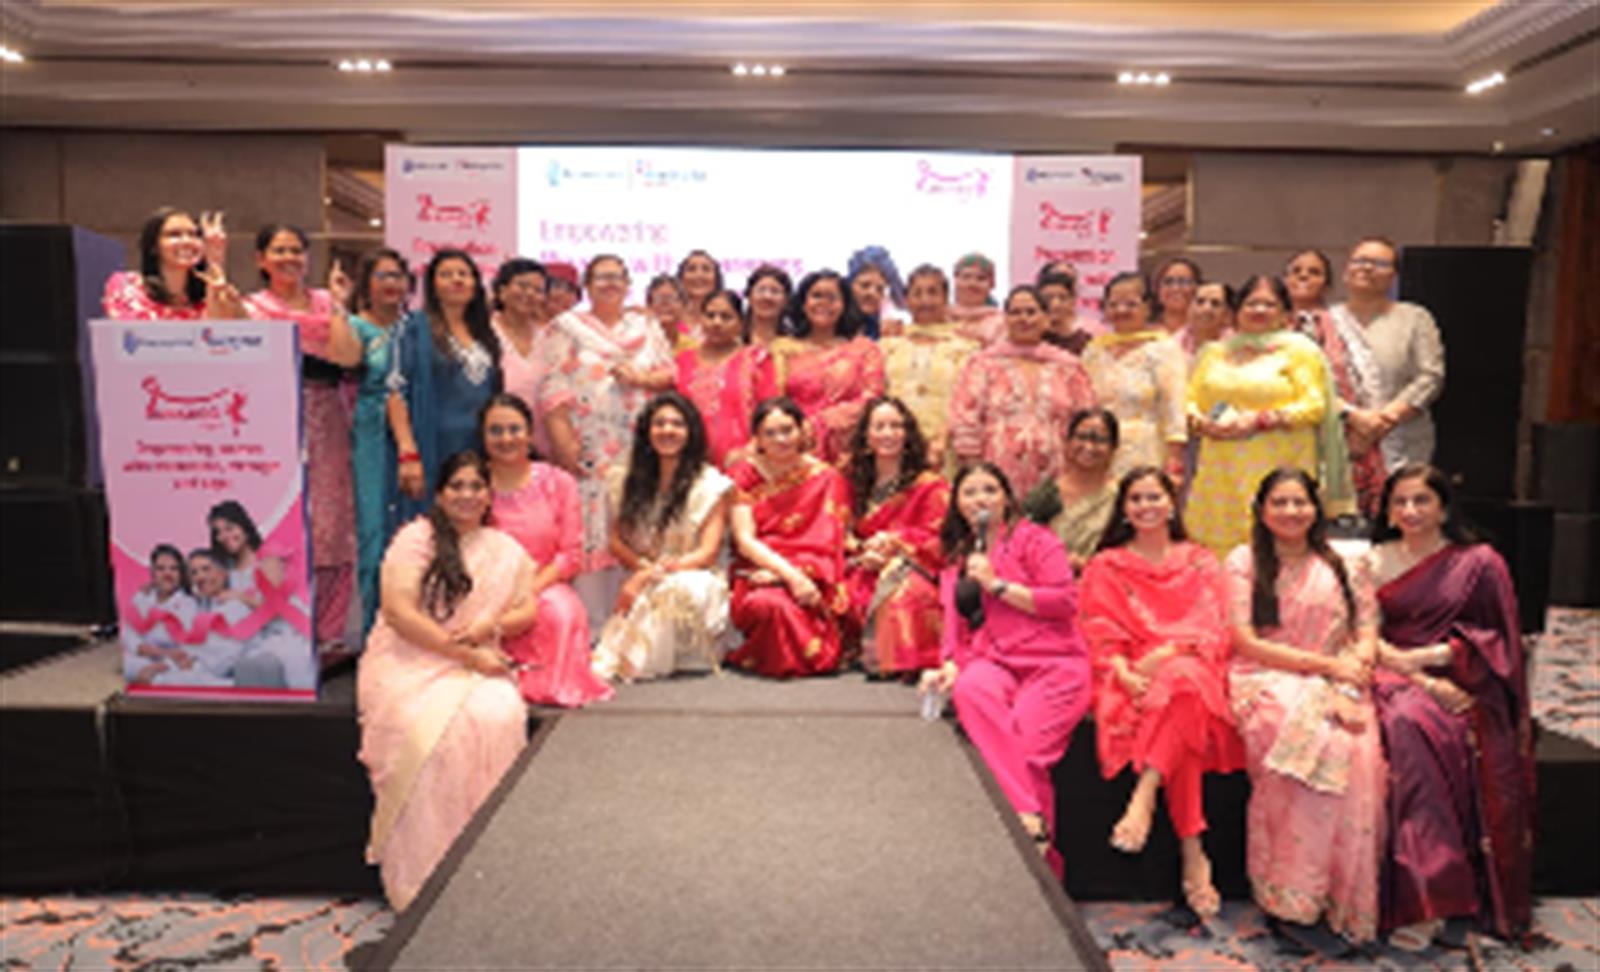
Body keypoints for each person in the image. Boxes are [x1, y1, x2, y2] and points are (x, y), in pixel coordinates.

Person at [357, 450, 534, 911]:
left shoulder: (502, 548)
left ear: (489, 495)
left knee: (498, 715)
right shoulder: (415, 540)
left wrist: (492, 627)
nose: (467, 495)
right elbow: (399, 614)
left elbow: (527, 609)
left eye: (476, 486)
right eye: (457, 486)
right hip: (409, 661)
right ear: (439, 493)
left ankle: (483, 865)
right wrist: (465, 654)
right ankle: (423, 875)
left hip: (477, 664)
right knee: (429, 735)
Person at [1367, 464, 1533, 950]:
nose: (1410, 511)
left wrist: (1433, 660)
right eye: (1399, 502)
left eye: (1421, 500)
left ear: (1443, 508)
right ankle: (1406, 894)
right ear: (1387, 512)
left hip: (1463, 676)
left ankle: (1432, 895)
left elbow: (1500, 639)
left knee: (1416, 726)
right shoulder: (1373, 561)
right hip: (1388, 671)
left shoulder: (1479, 563)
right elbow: (1360, 633)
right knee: (1394, 722)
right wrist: (1414, 674)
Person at [1226, 468, 1386, 944]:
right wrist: (1327, 667)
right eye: (1280, 502)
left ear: (1316, 509)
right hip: (1266, 676)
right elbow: (1246, 642)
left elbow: (1366, 628)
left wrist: (1353, 672)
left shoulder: (1343, 563)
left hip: (1336, 677)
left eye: (1300, 502)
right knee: (1305, 743)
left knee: (1357, 751)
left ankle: (1339, 896)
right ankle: (1289, 897)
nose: (1291, 511)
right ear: (1261, 511)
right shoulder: (1243, 561)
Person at [1078, 467, 1244, 918]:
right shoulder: (1107, 565)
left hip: (1193, 660)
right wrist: (1125, 672)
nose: (1146, 506)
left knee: (1183, 680)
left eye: (1154, 497)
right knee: (1179, 699)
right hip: (1134, 672)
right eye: (1136, 498)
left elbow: (1217, 628)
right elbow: (1099, 631)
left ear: (1172, 504)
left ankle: (1145, 794)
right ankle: (1193, 849)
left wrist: (1169, 652)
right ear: (1124, 509)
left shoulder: (1200, 561)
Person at [920, 462, 1092, 878]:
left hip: (1052, 662)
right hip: (994, 661)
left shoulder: (1038, 540)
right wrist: (946, 666)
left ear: (1006, 498)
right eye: (970, 492)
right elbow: (954, 627)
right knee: (970, 688)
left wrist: (998, 585)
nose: (980, 499)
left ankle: (1042, 866)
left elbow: (1064, 602)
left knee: (1027, 755)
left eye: (990, 490)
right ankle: (1030, 816)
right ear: (957, 504)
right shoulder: (959, 558)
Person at [244, 224, 362, 657]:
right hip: (270, 422)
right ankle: (281, 624)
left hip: (328, 417)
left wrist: (340, 308)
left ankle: (329, 631)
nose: (289, 258)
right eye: (279, 250)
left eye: (297, 250)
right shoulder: (250, 308)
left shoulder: (327, 303)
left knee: (332, 525)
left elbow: (348, 357)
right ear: (260, 259)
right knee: (278, 522)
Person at [540, 254, 676, 629]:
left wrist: (641, 379)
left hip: (642, 441)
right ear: (587, 285)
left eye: (617, 277)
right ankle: (595, 626)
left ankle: (639, 626)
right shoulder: (565, 327)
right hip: (589, 444)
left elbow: (669, 374)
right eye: (601, 277)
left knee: (639, 519)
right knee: (594, 527)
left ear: (629, 284)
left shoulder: (646, 326)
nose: (610, 284)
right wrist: (563, 440)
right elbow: (552, 385)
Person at [1186, 275, 1353, 555]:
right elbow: (1190, 401)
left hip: (1278, 465)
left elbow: (1315, 406)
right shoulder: (1213, 353)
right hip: (1220, 468)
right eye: (1251, 303)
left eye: (1269, 304)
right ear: (1235, 312)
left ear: (1286, 313)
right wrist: (1201, 422)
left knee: (1271, 546)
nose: (1259, 310)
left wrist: (1261, 420)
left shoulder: (1299, 351)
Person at [593, 392, 735, 681]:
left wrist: (652, 575)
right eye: (659, 423)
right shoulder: (625, 478)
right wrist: (644, 571)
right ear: (647, 431)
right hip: (643, 571)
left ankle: (638, 662)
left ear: (691, 432)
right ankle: (641, 657)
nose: (667, 430)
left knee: (674, 590)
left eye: (677, 424)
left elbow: (707, 552)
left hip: (692, 574)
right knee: (656, 591)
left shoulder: (710, 483)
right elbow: (616, 541)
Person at [480, 395, 612, 708]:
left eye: (514, 429)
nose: (506, 438)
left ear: (529, 434)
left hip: (543, 583)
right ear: (482, 437)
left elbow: (570, 555)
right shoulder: (473, 484)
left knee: (560, 614)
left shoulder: (558, 482)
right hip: (483, 585)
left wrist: (528, 589)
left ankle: (537, 681)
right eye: (495, 431)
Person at [725, 398, 852, 678]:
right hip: (761, 567)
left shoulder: (827, 477)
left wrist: (800, 574)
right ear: (757, 439)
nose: (781, 439)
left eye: (787, 430)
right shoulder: (742, 475)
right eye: (770, 433)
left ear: (802, 431)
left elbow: (832, 541)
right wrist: (790, 576)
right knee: (768, 605)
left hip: (815, 571)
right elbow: (745, 540)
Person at [389, 249, 503, 529]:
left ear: (475, 284)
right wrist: (408, 452)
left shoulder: (484, 331)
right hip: (431, 445)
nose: (456, 280)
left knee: (474, 524)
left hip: (478, 447)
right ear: (433, 284)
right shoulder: (413, 327)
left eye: (464, 274)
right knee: (430, 528)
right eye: (446, 274)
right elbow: (395, 391)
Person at [948, 285, 1097, 499]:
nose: (1023, 319)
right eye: (1015, 312)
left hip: (1059, 478)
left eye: (1031, 312)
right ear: (1005, 319)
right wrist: (977, 476)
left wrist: (1079, 474)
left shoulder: (1069, 367)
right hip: (994, 480)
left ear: (1046, 318)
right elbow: (965, 419)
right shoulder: (983, 364)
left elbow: (1087, 420)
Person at [841, 397, 948, 676]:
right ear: (866, 436)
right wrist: (863, 551)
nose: (888, 434)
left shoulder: (929, 485)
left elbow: (940, 538)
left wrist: (895, 543)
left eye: (896, 426)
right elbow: (839, 529)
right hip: (860, 564)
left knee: (906, 594)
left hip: (911, 567)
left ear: (907, 434)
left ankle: (899, 660)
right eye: (879, 427)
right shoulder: (851, 481)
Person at [1329, 238, 1445, 474]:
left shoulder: (1415, 318)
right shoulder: (1323, 321)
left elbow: (1430, 377)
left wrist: (1381, 422)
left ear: (1394, 276)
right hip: (1338, 439)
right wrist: (1354, 418)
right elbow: (1311, 384)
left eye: (1380, 263)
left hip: (1402, 441)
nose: (1367, 268)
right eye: (1360, 260)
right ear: (1345, 271)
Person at [1289, 248, 1390, 516]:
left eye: (1314, 272)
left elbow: (1365, 375)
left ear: (1327, 284)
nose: (1303, 276)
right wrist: (1347, 413)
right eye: (1296, 271)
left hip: (1348, 433)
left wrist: (1364, 425)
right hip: (1292, 429)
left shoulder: (1344, 324)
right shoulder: (1270, 325)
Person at [348, 247, 415, 638]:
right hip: (371, 435)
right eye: (383, 275)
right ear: (366, 283)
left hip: (414, 432)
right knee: (373, 532)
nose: (392, 283)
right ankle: (375, 632)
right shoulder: (354, 326)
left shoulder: (417, 328)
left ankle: (414, 630)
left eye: (398, 276)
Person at [1080, 272, 1188, 484]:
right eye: (1113, 304)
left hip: (1144, 452)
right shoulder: (1093, 351)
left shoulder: (1163, 349)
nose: (1121, 310)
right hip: (1097, 450)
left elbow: (1174, 407)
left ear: (1147, 307)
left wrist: (1175, 461)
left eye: (1130, 304)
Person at [769, 270, 886, 462]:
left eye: (832, 298)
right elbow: (773, 400)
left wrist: (819, 423)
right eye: (816, 296)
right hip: (792, 447)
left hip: (849, 453)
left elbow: (872, 398)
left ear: (844, 305)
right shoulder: (783, 349)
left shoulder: (863, 349)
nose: (823, 303)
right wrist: (796, 429)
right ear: (803, 303)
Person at [207, 499, 316, 690]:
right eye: (218, 532)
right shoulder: (227, 568)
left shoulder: (266, 558)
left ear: (244, 526)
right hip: (252, 633)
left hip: (283, 629)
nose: (224, 536)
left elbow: (275, 609)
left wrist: (239, 596)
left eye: (230, 528)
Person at [877, 264, 978, 467]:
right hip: (894, 444)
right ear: (907, 300)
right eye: (917, 293)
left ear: (946, 299)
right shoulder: (887, 346)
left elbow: (968, 401)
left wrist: (942, 439)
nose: (925, 300)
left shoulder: (967, 348)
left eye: (933, 292)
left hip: (945, 448)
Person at [675, 290, 778, 467]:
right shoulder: (682, 360)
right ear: (700, 320)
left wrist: (753, 447)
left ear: (741, 323)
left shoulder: (757, 359)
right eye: (710, 316)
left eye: (726, 317)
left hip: (744, 461)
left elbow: (771, 411)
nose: (717, 323)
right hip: (688, 460)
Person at [1022, 408, 1120, 571]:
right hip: (1047, 580)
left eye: (1099, 440)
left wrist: (1086, 564)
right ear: (1067, 442)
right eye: (1081, 437)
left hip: (1105, 581)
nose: (1089, 446)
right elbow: (1022, 547)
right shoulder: (1045, 496)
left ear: (1114, 448)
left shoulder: (1121, 497)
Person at [102, 206, 242, 320]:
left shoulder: (210, 297)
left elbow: (218, 337)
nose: (187, 241)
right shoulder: (126, 286)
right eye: (174, 234)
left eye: (194, 235)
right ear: (153, 247)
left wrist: (214, 265)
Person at [489, 258, 558, 456]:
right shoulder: (483, 332)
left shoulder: (550, 337)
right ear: (502, 290)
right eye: (522, 286)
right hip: (499, 439)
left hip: (542, 442)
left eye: (538, 290)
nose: (529, 294)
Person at [122, 544, 201, 685]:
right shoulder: (142, 597)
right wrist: (151, 651)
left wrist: (161, 662)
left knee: (174, 675)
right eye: (161, 569)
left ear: (180, 573)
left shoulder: (189, 604)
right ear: (152, 572)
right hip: (144, 658)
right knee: (124, 664)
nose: (167, 574)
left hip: (172, 663)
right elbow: (129, 634)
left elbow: (189, 650)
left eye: (173, 569)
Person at [846, 247, 906, 339]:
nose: (872, 293)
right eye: (865, 285)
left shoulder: (887, 334)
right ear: (849, 285)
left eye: (880, 289)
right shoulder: (831, 324)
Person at [949, 252, 1004, 345]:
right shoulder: (940, 317)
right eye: (966, 277)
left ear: (991, 285)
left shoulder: (1002, 323)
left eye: (981, 278)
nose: (972, 284)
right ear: (955, 281)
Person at [1036, 270, 1097, 355]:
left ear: (1073, 301)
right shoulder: (1032, 338)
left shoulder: (1085, 341)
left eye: (1062, 298)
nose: (1055, 304)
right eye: (1048, 298)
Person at [743, 264, 793, 347]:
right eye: (761, 290)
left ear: (786, 300)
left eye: (775, 291)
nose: (767, 297)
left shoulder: (795, 342)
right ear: (749, 296)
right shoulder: (733, 338)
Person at [1182, 281, 1233, 359]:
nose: (1206, 308)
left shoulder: (1235, 347)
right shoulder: (1176, 343)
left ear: (1227, 315)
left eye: (1215, 303)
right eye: (1200, 301)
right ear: (1189, 308)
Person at [1153, 257, 1202, 336]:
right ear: (1158, 289)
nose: (1176, 288)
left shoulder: (1210, 333)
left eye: (1184, 282)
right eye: (1168, 282)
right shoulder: (1143, 333)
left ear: (1197, 288)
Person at [646, 274, 694, 349]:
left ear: (684, 306)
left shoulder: (691, 346)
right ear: (649, 306)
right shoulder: (636, 340)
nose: (665, 303)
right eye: (658, 298)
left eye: (671, 298)